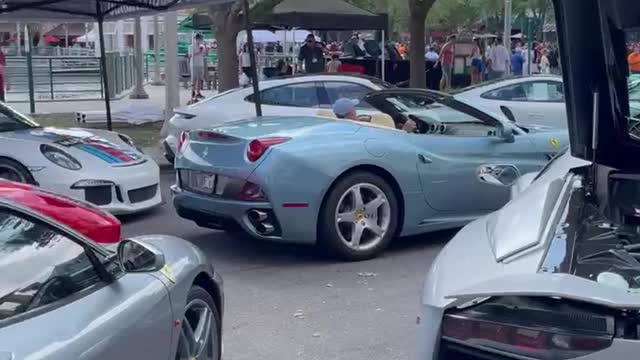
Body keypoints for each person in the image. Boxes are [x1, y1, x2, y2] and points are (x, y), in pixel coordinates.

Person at [332, 98, 417, 133]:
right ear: (350, 113)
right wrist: (404, 130)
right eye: (353, 108)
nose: (355, 110)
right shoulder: (359, 129)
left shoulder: (340, 127)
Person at [188, 33, 206, 99]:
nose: (199, 40)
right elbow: (189, 55)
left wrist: (205, 49)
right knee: (194, 78)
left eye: (200, 39)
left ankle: (198, 92)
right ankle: (193, 91)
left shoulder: (202, 46)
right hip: (194, 64)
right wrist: (199, 52)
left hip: (200, 64)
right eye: (198, 39)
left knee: (199, 79)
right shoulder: (191, 46)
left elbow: (204, 55)